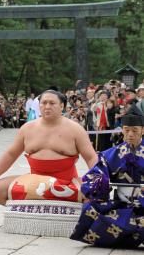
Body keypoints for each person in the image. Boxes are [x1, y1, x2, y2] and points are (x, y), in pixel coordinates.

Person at [0, 90, 98, 205]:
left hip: (67, 184)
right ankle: (25, 211)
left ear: (62, 106)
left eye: (52, 103)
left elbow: (91, 157)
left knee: (94, 194)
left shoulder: (75, 129)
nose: (47, 107)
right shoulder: (27, 128)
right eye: (43, 103)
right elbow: (11, 154)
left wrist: (97, 179)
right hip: (34, 183)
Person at [70, 105, 144, 248]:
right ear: (122, 130)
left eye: (135, 131)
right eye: (127, 130)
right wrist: (100, 182)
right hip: (121, 201)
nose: (130, 134)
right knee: (90, 208)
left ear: (143, 130)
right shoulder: (110, 154)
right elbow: (96, 173)